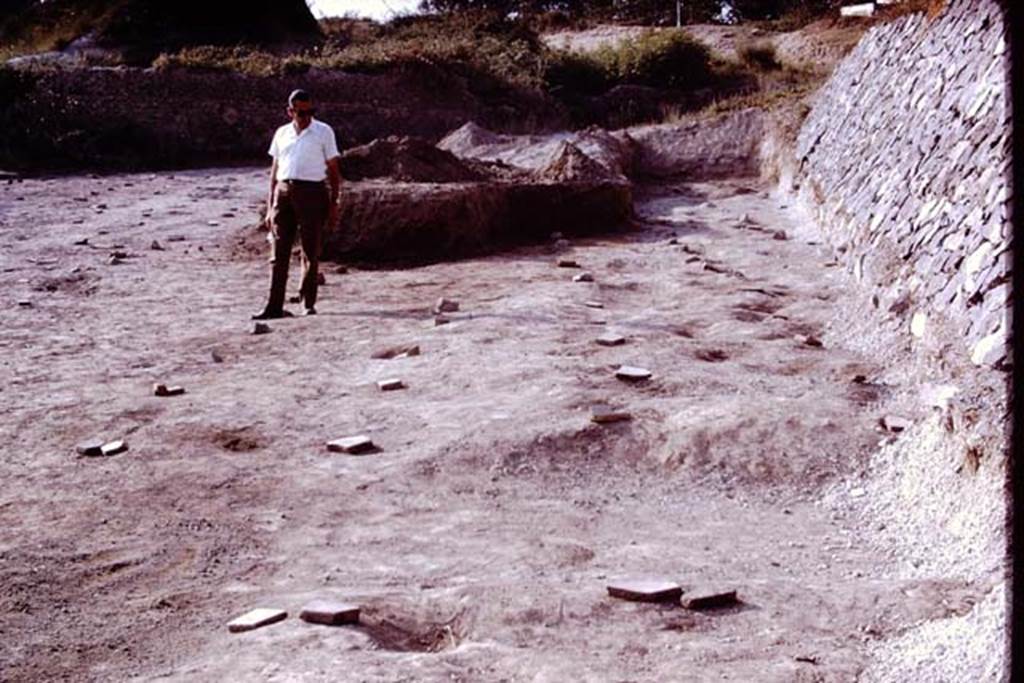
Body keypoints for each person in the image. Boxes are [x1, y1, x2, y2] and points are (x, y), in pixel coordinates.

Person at [252, 89, 340, 319]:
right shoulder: (281, 133)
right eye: (301, 112)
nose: (306, 116)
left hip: (312, 192)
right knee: (279, 251)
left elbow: (333, 170)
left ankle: (307, 303)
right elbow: (275, 169)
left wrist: (334, 203)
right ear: (290, 111)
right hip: (284, 192)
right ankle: (274, 305)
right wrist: (271, 204)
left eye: (310, 111)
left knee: (311, 249)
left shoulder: (323, 132)